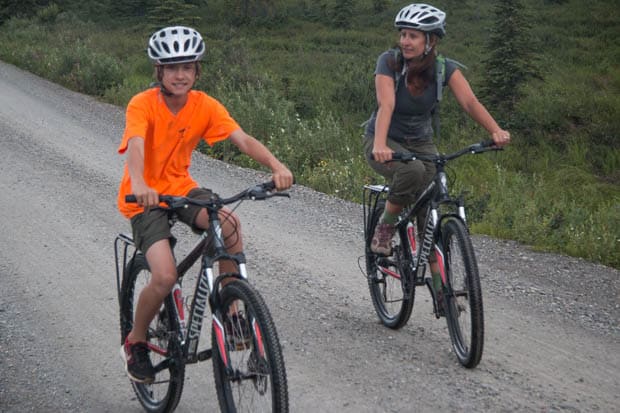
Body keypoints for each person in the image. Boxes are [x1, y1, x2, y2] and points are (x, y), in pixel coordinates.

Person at [117, 26, 294, 383]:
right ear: (159, 72)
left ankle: (232, 311)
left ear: (197, 71)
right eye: (171, 68)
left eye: (187, 67)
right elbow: (136, 143)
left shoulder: (204, 105)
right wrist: (140, 183)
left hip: (182, 188)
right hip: (145, 198)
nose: (180, 75)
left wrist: (276, 166)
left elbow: (241, 138)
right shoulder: (142, 103)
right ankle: (135, 342)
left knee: (228, 222)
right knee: (165, 276)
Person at [364, 4, 510, 300]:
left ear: (430, 41)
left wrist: (495, 130)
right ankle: (385, 228)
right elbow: (386, 105)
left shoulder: (445, 68)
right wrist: (380, 145)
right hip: (384, 138)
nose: (405, 41)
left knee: (427, 199)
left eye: (413, 36)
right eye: (403, 35)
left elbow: (470, 103)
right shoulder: (389, 62)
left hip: (421, 142)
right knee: (413, 171)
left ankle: (440, 286)